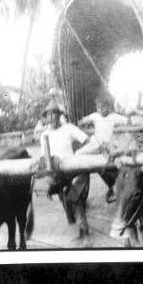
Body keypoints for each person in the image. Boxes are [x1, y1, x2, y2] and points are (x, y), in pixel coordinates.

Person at [39, 100, 90, 238]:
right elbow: (43, 157)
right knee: (64, 198)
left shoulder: (69, 128)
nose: (52, 118)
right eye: (49, 115)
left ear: (59, 116)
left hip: (74, 170)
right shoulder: (44, 135)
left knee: (74, 197)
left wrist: (80, 154)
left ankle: (84, 232)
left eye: (55, 115)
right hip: (57, 173)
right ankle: (79, 228)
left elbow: (87, 140)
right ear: (46, 118)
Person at [76, 90, 128, 202]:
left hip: (108, 144)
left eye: (104, 107)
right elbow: (83, 121)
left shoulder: (114, 116)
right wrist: (80, 121)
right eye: (98, 107)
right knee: (78, 153)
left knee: (116, 161)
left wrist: (130, 116)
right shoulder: (95, 116)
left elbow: (127, 121)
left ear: (109, 107)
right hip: (96, 142)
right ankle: (80, 180)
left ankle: (119, 183)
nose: (101, 110)